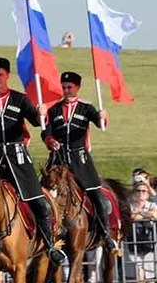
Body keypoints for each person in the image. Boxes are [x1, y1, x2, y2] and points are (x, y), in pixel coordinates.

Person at [0, 57, 65, 266]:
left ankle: (49, 245)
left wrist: (41, 113)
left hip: (18, 160)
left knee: (39, 203)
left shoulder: (19, 99)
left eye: (1, 74)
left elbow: (37, 122)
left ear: (7, 76)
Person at [43, 71, 117, 251]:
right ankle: (43, 233)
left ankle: (105, 234)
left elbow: (101, 125)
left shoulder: (86, 108)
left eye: (70, 87)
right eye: (64, 87)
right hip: (58, 161)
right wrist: (50, 140)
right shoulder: (54, 109)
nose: (66, 90)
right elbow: (46, 131)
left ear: (77, 88)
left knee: (96, 195)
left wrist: (103, 116)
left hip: (80, 160)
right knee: (44, 192)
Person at [127, 183, 157, 283]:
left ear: (148, 193)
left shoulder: (152, 204)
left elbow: (154, 214)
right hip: (135, 244)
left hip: (150, 244)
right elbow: (131, 217)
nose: (141, 193)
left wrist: (139, 213)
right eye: (138, 190)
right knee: (139, 277)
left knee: (150, 276)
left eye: (144, 191)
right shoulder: (130, 205)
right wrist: (144, 214)